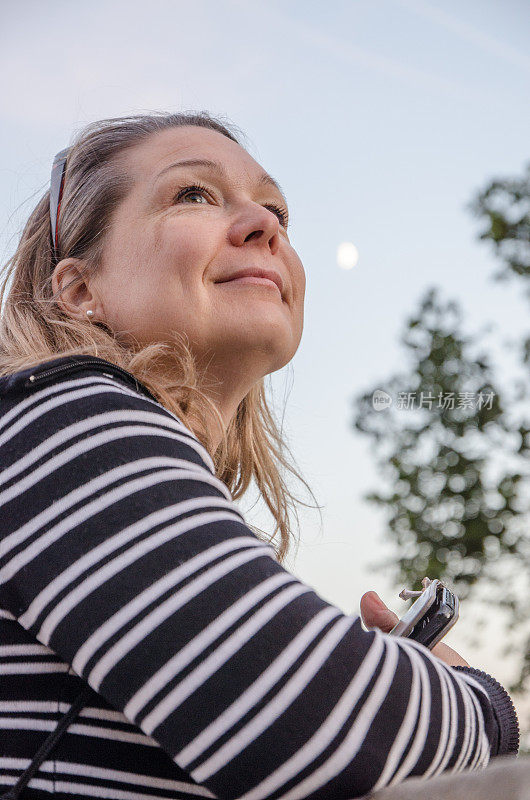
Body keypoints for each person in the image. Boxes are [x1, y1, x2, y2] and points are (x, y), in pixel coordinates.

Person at [0, 111, 519, 800]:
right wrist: (485, 702)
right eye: (194, 195)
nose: (263, 225)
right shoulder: (60, 416)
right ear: (79, 291)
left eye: (274, 208)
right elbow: (312, 726)